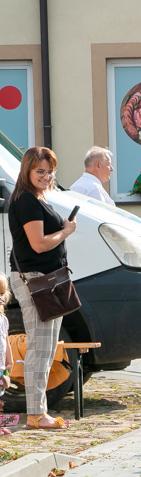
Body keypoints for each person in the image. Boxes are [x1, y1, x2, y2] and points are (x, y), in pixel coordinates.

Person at [8, 147, 76, 430]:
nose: (47, 176)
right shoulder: (27, 201)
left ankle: (39, 412)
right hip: (36, 281)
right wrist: (65, 231)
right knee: (41, 347)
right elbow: (38, 244)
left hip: (43, 280)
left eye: (50, 171)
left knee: (46, 347)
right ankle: (36, 414)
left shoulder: (32, 198)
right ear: (27, 171)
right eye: (40, 171)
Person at [0, 275, 13, 435]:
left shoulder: (3, 319)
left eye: (2, 293)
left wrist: (10, 360)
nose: (0, 298)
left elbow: (6, 340)